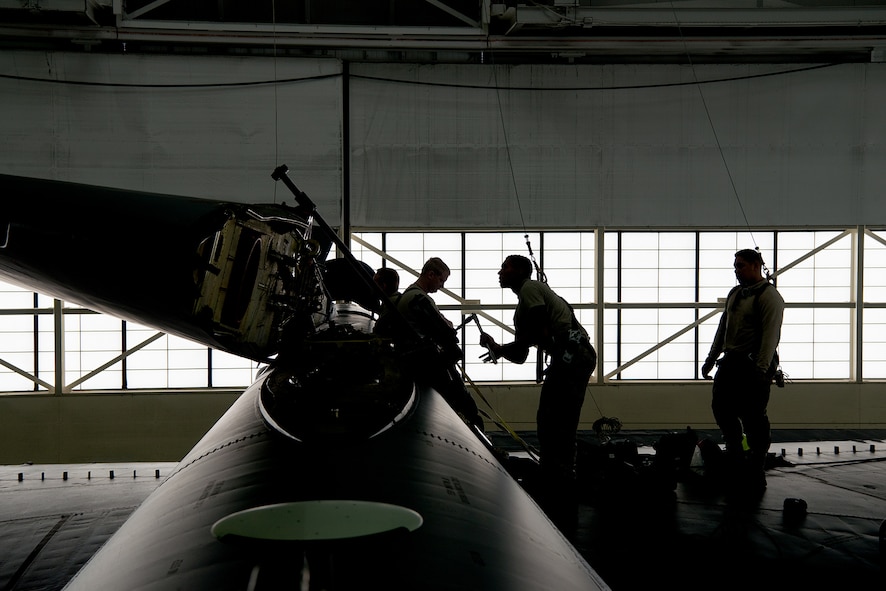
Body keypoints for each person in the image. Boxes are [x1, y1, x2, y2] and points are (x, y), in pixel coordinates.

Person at [479, 254, 596, 529]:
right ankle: (558, 475)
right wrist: (498, 348)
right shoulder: (523, 309)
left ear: (520, 271)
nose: (499, 272)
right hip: (571, 357)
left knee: (557, 420)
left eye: (504, 267)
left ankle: (560, 478)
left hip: (573, 355)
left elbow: (539, 335)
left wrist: (503, 348)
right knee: (551, 420)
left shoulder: (531, 288)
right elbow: (522, 353)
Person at [702, 248, 784, 496]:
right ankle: (736, 458)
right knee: (721, 409)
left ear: (756, 266)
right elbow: (723, 328)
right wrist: (711, 358)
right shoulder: (735, 294)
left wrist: (760, 372)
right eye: (735, 266)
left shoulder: (769, 297)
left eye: (741, 266)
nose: (736, 271)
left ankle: (756, 468)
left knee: (754, 418)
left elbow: (771, 337)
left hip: (754, 365)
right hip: (731, 361)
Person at [396, 257, 484, 431]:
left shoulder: (408, 295)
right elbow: (444, 331)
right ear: (430, 275)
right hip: (429, 367)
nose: (442, 286)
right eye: (441, 280)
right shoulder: (418, 299)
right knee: (466, 408)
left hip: (416, 366)